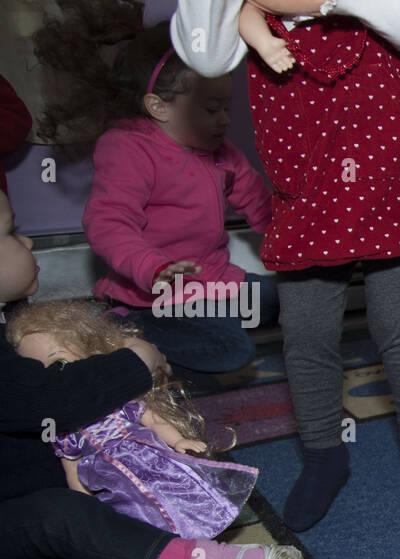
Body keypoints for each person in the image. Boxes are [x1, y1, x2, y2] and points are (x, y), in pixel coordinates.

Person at [172, 0, 400, 532]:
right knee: (306, 339)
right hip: (307, 199)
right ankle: (325, 455)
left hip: (388, 191)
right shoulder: (247, 16)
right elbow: (206, 57)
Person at [0, 191, 302, 559]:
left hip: (81, 483)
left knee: (128, 487)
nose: (28, 242)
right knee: (61, 515)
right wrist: (137, 361)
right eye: (11, 232)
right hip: (26, 517)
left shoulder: (15, 323)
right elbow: (54, 401)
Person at [33, 10, 276, 375]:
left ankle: (205, 321)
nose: (224, 119)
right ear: (157, 107)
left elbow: (259, 202)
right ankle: (127, 324)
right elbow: (108, 223)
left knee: (288, 301)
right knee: (232, 351)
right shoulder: (128, 147)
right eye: (212, 109)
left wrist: (294, 238)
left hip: (213, 281)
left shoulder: (221, 151)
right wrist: (153, 268)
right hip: (154, 294)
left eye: (226, 107)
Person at [6, 302, 259, 541]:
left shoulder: (119, 404)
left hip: (151, 461)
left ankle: (194, 532)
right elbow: (70, 469)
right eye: (39, 374)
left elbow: (153, 419)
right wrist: (84, 503)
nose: (54, 378)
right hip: (111, 484)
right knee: (132, 518)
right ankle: (157, 548)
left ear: (88, 350)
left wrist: (179, 440)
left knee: (179, 496)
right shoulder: (66, 434)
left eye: (58, 363)